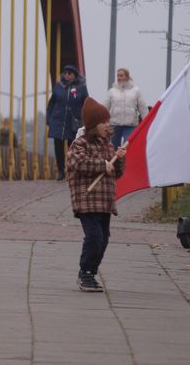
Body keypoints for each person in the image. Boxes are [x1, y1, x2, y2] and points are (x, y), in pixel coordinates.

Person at [67, 97, 126, 292]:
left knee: (103, 238)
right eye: (103, 122)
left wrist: (118, 160)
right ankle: (85, 273)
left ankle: (91, 271)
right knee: (93, 236)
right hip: (87, 200)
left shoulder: (108, 145)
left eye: (108, 121)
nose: (108, 125)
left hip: (104, 201)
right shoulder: (79, 144)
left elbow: (116, 173)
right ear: (93, 125)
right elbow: (79, 163)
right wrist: (102, 165)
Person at [46, 64, 88, 180]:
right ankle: (60, 171)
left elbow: (86, 104)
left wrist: (84, 121)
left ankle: (71, 170)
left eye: (69, 73)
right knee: (58, 146)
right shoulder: (59, 86)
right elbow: (51, 103)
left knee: (73, 148)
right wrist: (49, 119)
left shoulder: (81, 88)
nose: (67, 75)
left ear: (75, 75)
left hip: (73, 123)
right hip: (58, 121)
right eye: (65, 73)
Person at [104, 67, 148, 149]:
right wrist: (101, 121)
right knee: (112, 147)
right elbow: (105, 108)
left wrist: (147, 122)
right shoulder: (112, 91)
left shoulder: (136, 91)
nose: (119, 78)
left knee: (128, 146)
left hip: (130, 125)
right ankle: (114, 162)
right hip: (114, 124)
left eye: (121, 75)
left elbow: (142, 108)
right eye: (117, 76)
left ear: (127, 76)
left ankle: (126, 162)